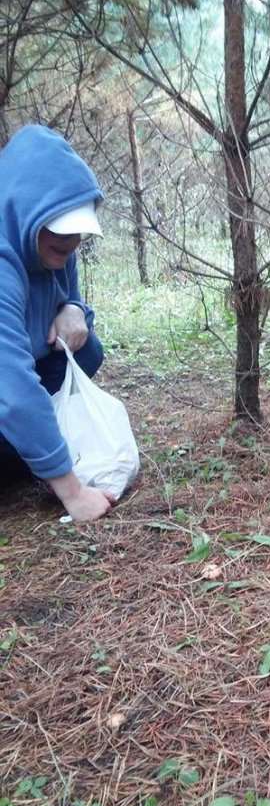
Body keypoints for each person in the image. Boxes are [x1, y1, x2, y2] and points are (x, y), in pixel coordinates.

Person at [0, 124, 115, 522]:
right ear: (25, 212)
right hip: (6, 388)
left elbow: (70, 299)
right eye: (60, 238)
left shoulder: (54, 249)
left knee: (88, 348)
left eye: (77, 237)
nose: (70, 247)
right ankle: (30, 461)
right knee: (16, 417)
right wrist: (73, 492)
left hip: (22, 376)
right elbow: (11, 387)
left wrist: (75, 308)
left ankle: (32, 452)